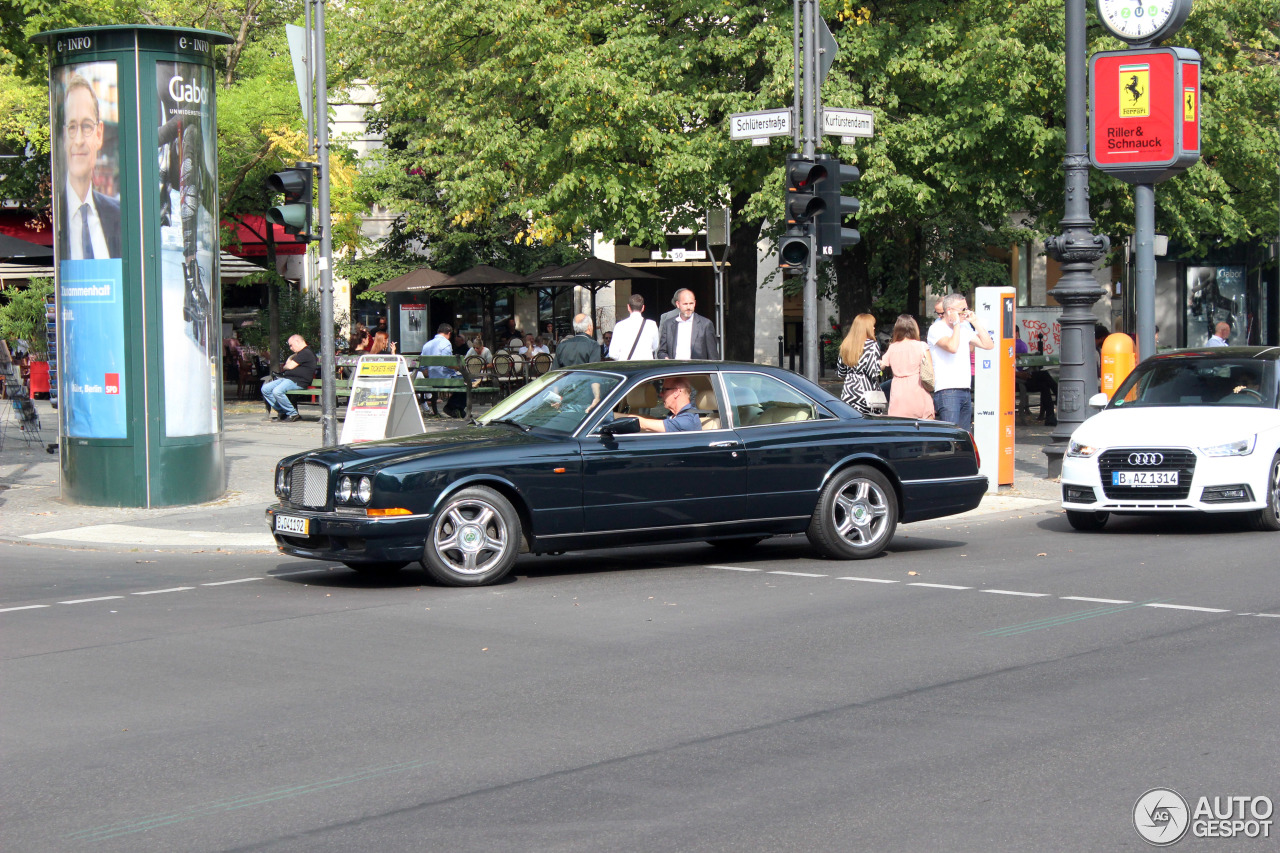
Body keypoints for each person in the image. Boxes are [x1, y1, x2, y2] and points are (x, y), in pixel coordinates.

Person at [61, 74, 121, 260]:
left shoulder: (118, 215)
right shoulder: (55, 214)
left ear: (99, 134)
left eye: (86, 126)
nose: (78, 140)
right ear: (64, 136)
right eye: (72, 127)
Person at [927, 293, 994, 432]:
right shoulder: (937, 328)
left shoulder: (964, 328)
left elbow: (988, 345)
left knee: (964, 436)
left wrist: (975, 322)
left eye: (967, 308)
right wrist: (956, 324)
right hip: (947, 390)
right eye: (962, 310)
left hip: (965, 388)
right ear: (950, 311)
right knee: (951, 435)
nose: (966, 313)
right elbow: (952, 347)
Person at [880, 314, 934, 419]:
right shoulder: (922, 346)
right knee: (925, 429)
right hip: (918, 389)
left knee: (899, 427)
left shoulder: (892, 347)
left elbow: (882, 365)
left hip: (898, 393)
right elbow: (930, 371)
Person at [261, 334, 318, 422]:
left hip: (298, 381)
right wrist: (291, 357)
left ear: (298, 342)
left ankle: (293, 414)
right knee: (265, 389)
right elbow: (288, 364)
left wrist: (286, 365)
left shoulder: (306, 352)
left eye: (291, 345)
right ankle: (283, 412)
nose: (291, 348)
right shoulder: (300, 353)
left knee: (277, 391)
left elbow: (289, 366)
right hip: (288, 379)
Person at [836, 313, 883, 415]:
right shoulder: (871, 345)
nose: (874, 328)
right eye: (872, 325)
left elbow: (841, 373)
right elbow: (873, 372)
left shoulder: (846, 344)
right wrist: (880, 365)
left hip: (849, 391)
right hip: (867, 393)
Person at [657, 289, 719, 360]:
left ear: (695, 303)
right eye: (685, 304)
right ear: (678, 304)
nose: (689, 307)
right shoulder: (668, 325)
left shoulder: (705, 324)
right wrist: (666, 359)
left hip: (697, 370)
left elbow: (713, 355)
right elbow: (661, 351)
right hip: (675, 368)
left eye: (691, 303)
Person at [1013, 327, 1057, 425]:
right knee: (1044, 375)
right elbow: (1002, 371)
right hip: (1016, 381)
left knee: (1044, 386)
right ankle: (1058, 394)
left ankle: (1050, 418)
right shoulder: (1000, 350)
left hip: (1022, 377)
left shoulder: (1010, 349)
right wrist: (1019, 374)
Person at [420, 322, 465, 417]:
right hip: (445, 378)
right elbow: (448, 362)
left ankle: (454, 409)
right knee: (466, 383)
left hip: (432, 380)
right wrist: (458, 367)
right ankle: (452, 407)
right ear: (449, 333)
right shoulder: (446, 343)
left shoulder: (427, 345)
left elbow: (423, 367)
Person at [634, 376, 701, 432]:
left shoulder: (686, 421)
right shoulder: (674, 416)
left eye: (664, 390)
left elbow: (644, 425)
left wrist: (624, 418)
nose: (660, 394)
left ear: (676, 392)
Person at [609, 294, 659, 361]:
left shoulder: (619, 326)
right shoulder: (652, 325)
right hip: (646, 367)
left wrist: (623, 358)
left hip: (626, 367)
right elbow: (655, 346)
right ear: (643, 308)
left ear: (628, 307)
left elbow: (613, 353)